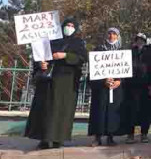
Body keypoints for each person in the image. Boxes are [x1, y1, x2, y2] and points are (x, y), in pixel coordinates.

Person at [25, 18, 87, 149]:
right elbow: (39, 56)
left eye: (71, 26)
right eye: (67, 25)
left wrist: (65, 55)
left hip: (66, 83)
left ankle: (59, 139)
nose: (69, 28)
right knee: (45, 110)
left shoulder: (78, 43)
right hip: (48, 81)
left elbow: (81, 58)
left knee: (62, 111)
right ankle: (44, 139)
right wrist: (41, 64)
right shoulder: (51, 41)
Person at [88, 27, 126, 146]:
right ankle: (97, 137)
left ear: (118, 36)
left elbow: (126, 69)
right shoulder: (99, 50)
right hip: (101, 87)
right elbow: (94, 69)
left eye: (114, 34)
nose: (111, 36)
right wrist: (103, 80)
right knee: (99, 110)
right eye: (109, 34)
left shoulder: (122, 51)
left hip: (116, 88)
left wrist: (119, 80)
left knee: (113, 111)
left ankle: (111, 136)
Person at [123, 33, 151, 144]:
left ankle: (144, 134)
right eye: (138, 39)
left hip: (146, 86)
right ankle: (130, 134)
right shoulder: (129, 52)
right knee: (130, 111)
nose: (140, 41)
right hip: (131, 86)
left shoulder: (150, 53)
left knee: (145, 112)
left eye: (142, 40)